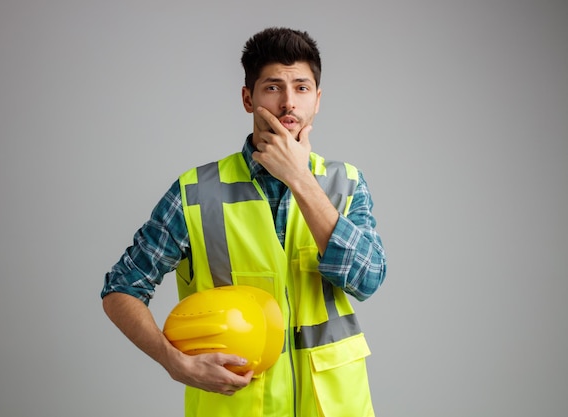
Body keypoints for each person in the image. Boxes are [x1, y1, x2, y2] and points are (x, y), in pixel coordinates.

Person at [101, 27, 387, 417]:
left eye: (302, 88)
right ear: (247, 98)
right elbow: (121, 289)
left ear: (317, 100)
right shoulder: (195, 192)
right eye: (273, 87)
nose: (288, 103)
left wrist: (300, 179)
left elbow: (366, 279)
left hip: (335, 407)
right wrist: (176, 364)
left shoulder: (346, 183)